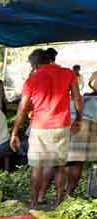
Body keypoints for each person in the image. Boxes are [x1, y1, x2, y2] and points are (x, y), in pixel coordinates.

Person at [11, 49, 83, 207]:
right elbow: (77, 98)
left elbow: (22, 109)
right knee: (60, 166)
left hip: (40, 127)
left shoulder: (32, 80)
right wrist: (78, 119)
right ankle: (58, 202)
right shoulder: (68, 73)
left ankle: (34, 203)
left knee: (37, 167)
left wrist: (15, 132)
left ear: (35, 64)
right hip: (62, 126)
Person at [65, 93, 97, 197]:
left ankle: (59, 195)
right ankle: (67, 195)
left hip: (68, 120)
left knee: (62, 162)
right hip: (85, 121)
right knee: (76, 162)